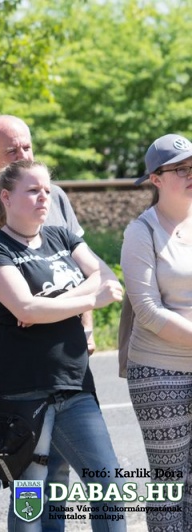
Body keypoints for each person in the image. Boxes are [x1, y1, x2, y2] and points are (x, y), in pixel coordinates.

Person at [0, 115, 85, 531]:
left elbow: (81, 271)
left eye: (27, 146)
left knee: (53, 467)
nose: (23, 155)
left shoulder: (55, 197)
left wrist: (87, 328)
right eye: (12, 151)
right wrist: (11, 342)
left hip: (61, 364)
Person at [0, 159, 125, 531]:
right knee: (31, 497)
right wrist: (87, 299)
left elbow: (106, 277)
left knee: (109, 484)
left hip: (74, 386)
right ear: (6, 197)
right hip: (22, 394)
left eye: (47, 189)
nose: (44, 197)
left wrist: (49, 306)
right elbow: (26, 308)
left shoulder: (62, 237)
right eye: (33, 190)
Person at [122, 133, 192, 530]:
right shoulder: (142, 231)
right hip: (160, 371)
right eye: (180, 169)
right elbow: (147, 311)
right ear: (156, 179)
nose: (190, 174)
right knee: (170, 483)